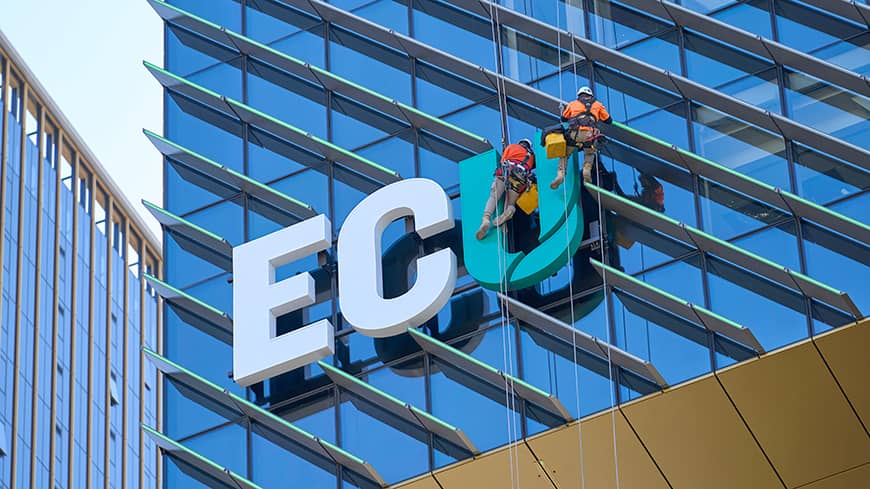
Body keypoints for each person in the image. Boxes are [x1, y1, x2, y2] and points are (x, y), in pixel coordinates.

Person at [551, 86, 612, 189]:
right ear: (591, 95)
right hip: (590, 135)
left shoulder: (572, 104)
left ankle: (561, 174)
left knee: (565, 154)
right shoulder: (598, 105)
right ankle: (586, 170)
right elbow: (608, 120)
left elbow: (564, 118)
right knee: (589, 153)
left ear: (579, 95)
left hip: (575, 134)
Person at [476, 138, 536, 240]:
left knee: (493, 197)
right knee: (511, 203)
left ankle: (486, 219)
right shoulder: (531, 156)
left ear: (520, 143)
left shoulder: (512, 147)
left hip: (507, 171)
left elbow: (503, 160)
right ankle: (509, 211)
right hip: (520, 178)